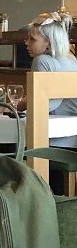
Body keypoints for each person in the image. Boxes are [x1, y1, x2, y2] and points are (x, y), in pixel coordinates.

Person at [24, 12, 77, 192]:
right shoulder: (72, 60)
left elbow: (44, 105)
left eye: (32, 39)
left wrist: (16, 105)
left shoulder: (42, 60)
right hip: (73, 139)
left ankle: (35, 199)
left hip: (53, 143)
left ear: (48, 43)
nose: (27, 43)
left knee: (11, 147)